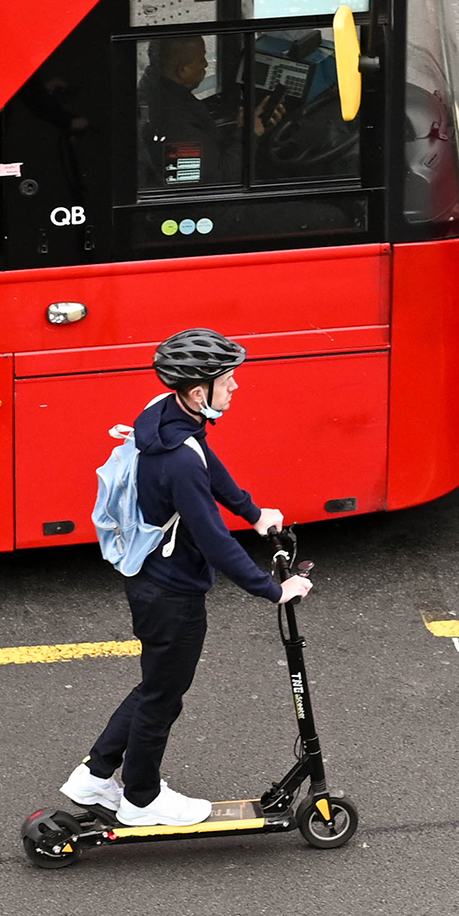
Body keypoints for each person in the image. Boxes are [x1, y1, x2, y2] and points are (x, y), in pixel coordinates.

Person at [60, 328, 313, 825]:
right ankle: (141, 799)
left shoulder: (166, 415)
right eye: (229, 380)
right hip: (172, 596)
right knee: (163, 697)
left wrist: (253, 511)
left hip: (152, 580)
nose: (236, 387)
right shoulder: (178, 460)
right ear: (200, 392)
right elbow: (214, 541)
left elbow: (208, 463)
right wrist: (273, 589)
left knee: (153, 688)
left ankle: (95, 777)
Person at [138, 34, 283, 187]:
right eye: (201, 59)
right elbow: (220, 182)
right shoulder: (177, 129)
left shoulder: (155, 91)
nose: (206, 64)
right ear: (183, 70)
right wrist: (248, 134)